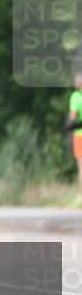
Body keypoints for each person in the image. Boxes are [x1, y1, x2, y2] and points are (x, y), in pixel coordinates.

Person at [69, 73, 82, 202]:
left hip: (80, 134)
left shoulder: (76, 97)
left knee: (81, 166)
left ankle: (81, 195)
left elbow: (73, 116)